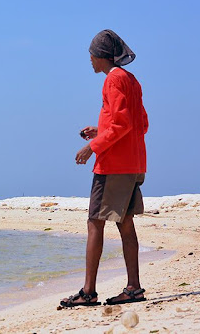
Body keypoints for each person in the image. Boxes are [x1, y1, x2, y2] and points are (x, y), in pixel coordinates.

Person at [60, 29, 149, 307]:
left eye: (91, 54)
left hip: (113, 165)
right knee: (125, 222)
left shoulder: (113, 80)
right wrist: (101, 129)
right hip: (133, 162)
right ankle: (133, 288)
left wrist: (93, 146)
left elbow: (123, 125)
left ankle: (88, 292)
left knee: (95, 222)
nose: (89, 60)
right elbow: (140, 124)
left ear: (101, 56)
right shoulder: (131, 80)